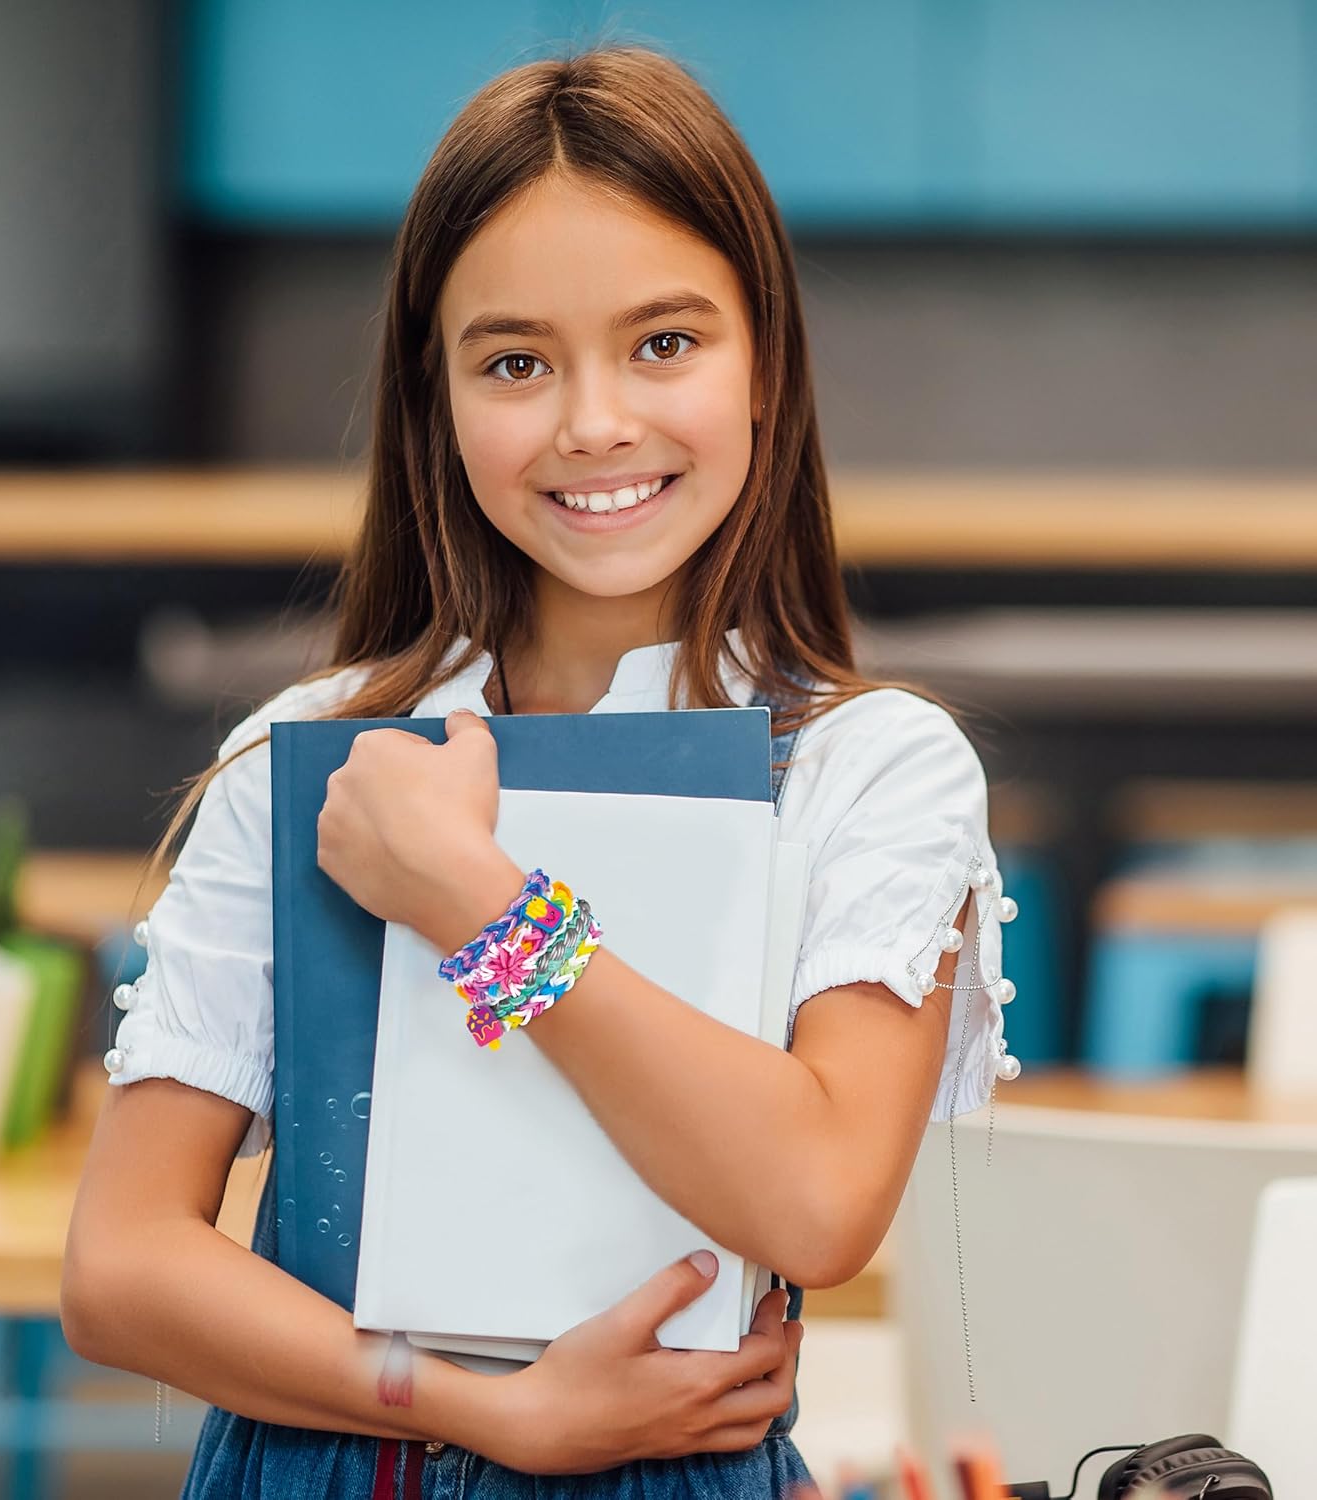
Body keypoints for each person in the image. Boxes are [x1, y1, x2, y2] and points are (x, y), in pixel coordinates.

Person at [62, 43, 1019, 1498]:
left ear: (765, 362)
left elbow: (818, 1204)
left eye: (664, 343)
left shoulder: (867, 767)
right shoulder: (308, 757)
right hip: (320, 1465)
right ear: (435, 396)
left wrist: (479, 903)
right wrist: (483, 1410)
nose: (593, 423)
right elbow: (121, 1269)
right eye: (515, 361)